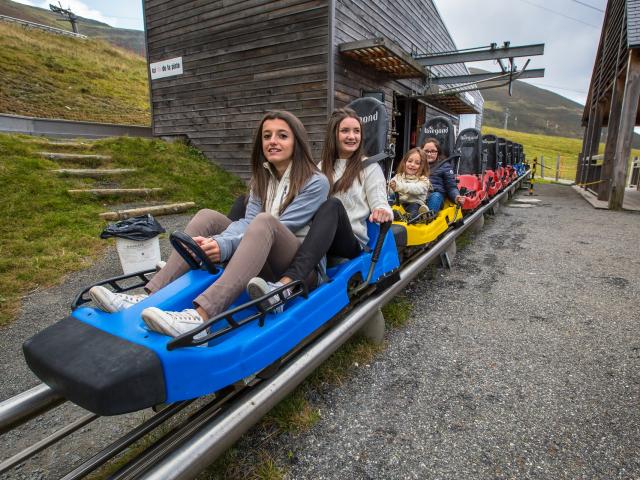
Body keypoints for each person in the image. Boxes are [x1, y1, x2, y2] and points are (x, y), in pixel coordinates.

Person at [89, 110, 329, 337]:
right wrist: (217, 241)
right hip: (262, 255)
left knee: (265, 221)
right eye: (267, 136)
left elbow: (280, 227)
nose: (272, 141)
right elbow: (246, 223)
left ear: (297, 141)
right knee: (207, 216)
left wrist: (224, 246)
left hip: (297, 268)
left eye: (282, 135)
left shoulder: (315, 181)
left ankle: (201, 317)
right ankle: (149, 294)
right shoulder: (261, 179)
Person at [245, 107, 394, 309]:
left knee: (331, 205)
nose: (352, 136)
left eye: (356, 131)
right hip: (317, 236)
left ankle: (285, 286)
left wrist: (382, 209)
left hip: (348, 240)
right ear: (334, 134)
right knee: (244, 201)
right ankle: (226, 262)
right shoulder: (320, 167)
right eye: (345, 131)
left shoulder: (369, 168)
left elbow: (379, 200)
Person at [422, 138, 465, 214]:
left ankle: (428, 217)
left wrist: (456, 197)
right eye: (426, 151)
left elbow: (451, 187)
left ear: (438, 152)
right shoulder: (416, 164)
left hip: (434, 196)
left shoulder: (445, 166)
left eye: (432, 151)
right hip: (417, 195)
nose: (429, 154)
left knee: (436, 196)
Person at [388, 147, 431, 223]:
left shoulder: (424, 180)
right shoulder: (398, 176)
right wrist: (390, 186)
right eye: (410, 161)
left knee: (414, 209)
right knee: (389, 201)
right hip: (400, 203)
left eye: (417, 163)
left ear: (422, 166)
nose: (412, 165)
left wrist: (398, 186)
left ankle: (417, 217)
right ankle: (396, 215)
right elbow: (390, 191)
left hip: (415, 203)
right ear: (405, 162)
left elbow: (415, 188)